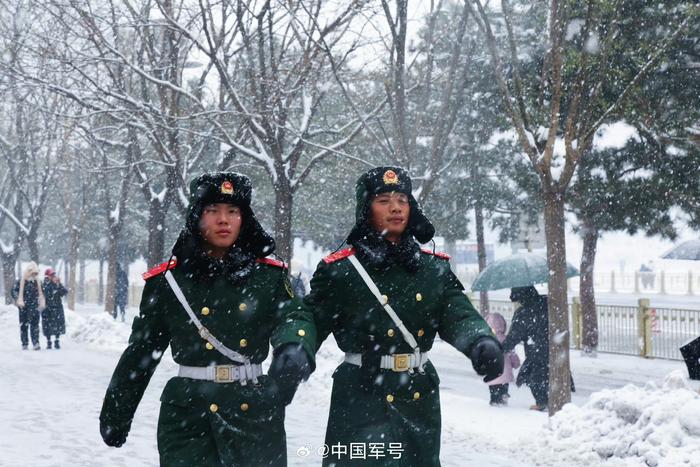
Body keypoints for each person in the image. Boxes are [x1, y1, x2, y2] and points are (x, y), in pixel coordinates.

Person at [99, 172, 316, 466]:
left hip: (252, 408)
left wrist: (294, 344)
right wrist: (117, 411)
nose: (223, 220)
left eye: (232, 211)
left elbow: (293, 315)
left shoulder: (268, 276)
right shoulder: (169, 281)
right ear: (196, 216)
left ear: (244, 218)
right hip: (188, 415)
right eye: (212, 211)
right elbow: (142, 350)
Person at [304, 166, 503, 466]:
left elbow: (458, 314)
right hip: (360, 395)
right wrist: (295, 348)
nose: (396, 207)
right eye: (384, 200)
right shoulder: (342, 271)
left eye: (402, 199)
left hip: (416, 395)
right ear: (366, 209)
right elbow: (309, 320)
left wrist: (480, 341)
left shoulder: (432, 270)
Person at [502, 286, 550, 411]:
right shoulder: (548, 303)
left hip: (536, 351)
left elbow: (514, 336)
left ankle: (542, 402)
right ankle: (556, 400)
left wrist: (500, 349)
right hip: (554, 348)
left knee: (535, 377)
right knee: (549, 375)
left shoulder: (523, 313)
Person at [484, 312, 520, 406]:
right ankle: (503, 395)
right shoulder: (506, 339)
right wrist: (516, 363)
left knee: (494, 387)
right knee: (503, 385)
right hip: (505, 372)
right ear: (503, 325)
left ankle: (494, 400)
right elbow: (512, 353)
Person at [12, 261, 46, 350]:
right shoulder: (21, 281)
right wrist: (18, 299)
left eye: (36, 273)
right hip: (23, 307)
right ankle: (24, 343)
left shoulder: (38, 282)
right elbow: (14, 291)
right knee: (24, 326)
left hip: (35, 307)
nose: (34, 275)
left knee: (35, 326)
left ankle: (36, 343)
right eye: (33, 273)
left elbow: (42, 292)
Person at [42, 268, 67, 349]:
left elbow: (64, 292)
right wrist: (53, 286)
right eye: (51, 275)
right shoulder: (44, 284)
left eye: (54, 275)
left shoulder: (57, 283)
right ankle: (48, 341)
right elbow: (46, 293)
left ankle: (57, 340)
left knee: (58, 324)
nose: (53, 276)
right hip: (47, 308)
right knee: (47, 325)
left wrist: (58, 284)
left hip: (57, 307)